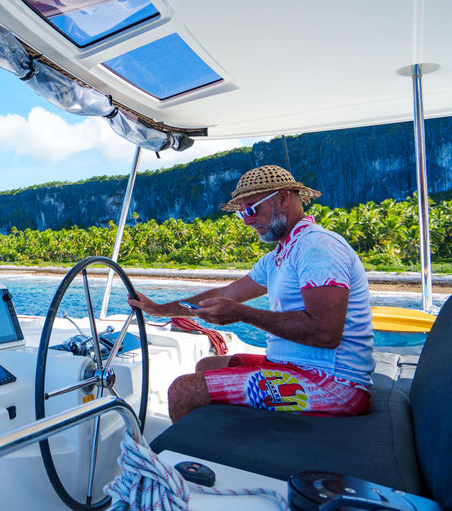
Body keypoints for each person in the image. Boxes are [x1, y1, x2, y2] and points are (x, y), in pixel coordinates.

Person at [129, 165, 375, 422]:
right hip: (292, 367)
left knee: (182, 391)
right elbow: (225, 293)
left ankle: (194, 459)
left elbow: (326, 333)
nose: (246, 220)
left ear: (282, 198)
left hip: (334, 383)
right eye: (241, 213)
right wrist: (158, 309)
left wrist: (243, 314)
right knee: (207, 365)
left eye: (251, 209)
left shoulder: (317, 247)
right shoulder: (280, 255)